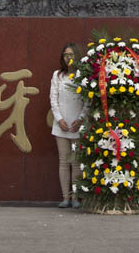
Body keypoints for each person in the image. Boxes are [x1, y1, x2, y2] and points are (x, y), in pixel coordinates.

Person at [50, 43, 86, 208]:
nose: (69, 58)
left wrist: (81, 119)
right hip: (61, 125)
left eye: (72, 55)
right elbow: (53, 99)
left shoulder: (84, 76)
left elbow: (88, 101)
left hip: (77, 124)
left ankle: (76, 198)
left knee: (77, 163)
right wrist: (59, 119)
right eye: (66, 55)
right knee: (64, 161)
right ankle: (66, 198)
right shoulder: (58, 75)